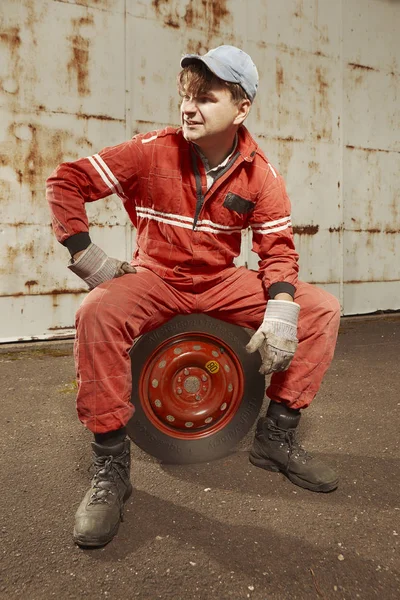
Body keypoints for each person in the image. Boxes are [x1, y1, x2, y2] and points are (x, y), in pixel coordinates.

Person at [46, 45, 341, 548]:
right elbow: (66, 180)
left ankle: (276, 436)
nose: (188, 107)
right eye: (186, 95)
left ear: (241, 108)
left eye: (206, 98)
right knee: (96, 312)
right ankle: (111, 466)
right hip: (155, 276)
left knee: (321, 309)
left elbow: (277, 249)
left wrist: (284, 307)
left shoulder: (260, 175)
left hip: (219, 281)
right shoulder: (151, 150)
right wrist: (87, 256)